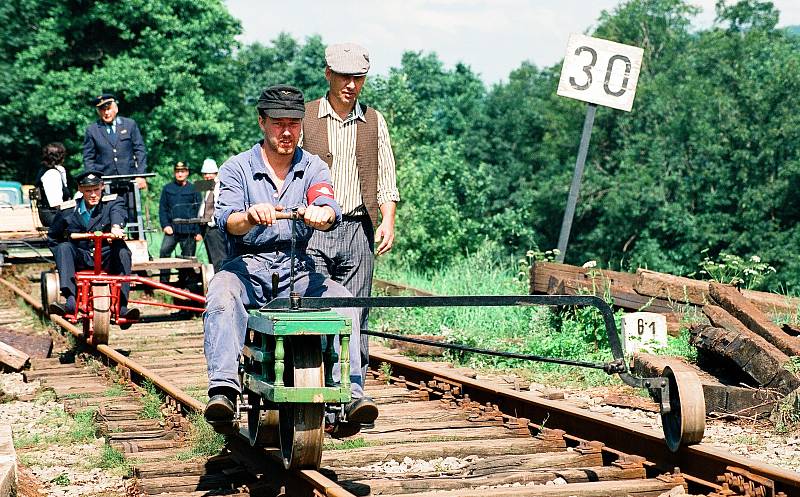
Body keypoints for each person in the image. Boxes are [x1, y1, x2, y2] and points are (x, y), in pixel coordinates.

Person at [203, 84, 378, 436]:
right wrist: (251, 215)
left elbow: (328, 205)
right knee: (221, 293)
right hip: (248, 267)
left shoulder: (313, 166)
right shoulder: (237, 168)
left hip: (298, 268)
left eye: (294, 124)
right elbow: (229, 222)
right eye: (278, 123)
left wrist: (322, 215)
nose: (287, 132)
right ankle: (223, 389)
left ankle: (352, 395)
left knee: (343, 300)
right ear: (261, 123)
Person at [302, 43, 400, 385]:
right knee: (315, 307)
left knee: (357, 309)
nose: (351, 85)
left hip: (358, 227)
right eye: (344, 77)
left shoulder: (374, 120)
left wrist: (388, 219)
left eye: (358, 78)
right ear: (329, 75)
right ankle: (314, 385)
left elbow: (386, 176)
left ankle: (352, 387)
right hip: (311, 230)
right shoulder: (305, 118)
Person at [47, 171, 139, 327]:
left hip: (107, 256)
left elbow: (118, 213)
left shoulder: (112, 202)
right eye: (88, 190)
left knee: (123, 251)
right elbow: (53, 237)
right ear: (80, 189)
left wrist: (116, 227)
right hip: (81, 257)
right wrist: (63, 260)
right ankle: (70, 302)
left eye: (96, 189)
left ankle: (122, 307)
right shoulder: (68, 210)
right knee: (64, 247)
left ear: (102, 187)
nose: (93, 194)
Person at [82, 93, 148, 188]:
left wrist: (141, 175)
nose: (106, 113)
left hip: (129, 180)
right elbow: (88, 158)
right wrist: (95, 180)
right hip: (105, 183)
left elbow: (140, 150)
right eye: (103, 110)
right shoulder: (92, 130)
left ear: (116, 109)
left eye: (108, 109)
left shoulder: (129, 125)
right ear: (98, 112)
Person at [158, 161, 202, 286]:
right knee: (164, 252)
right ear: (174, 173)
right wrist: (165, 225)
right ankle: (163, 283)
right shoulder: (167, 188)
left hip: (189, 229)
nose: (180, 174)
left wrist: (197, 231)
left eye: (182, 171)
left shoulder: (194, 188)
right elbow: (163, 208)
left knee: (187, 258)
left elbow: (199, 211)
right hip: (172, 228)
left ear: (187, 172)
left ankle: (184, 284)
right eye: (177, 171)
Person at [197, 158, 226, 272]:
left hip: (215, 227)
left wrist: (213, 221)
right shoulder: (206, 185)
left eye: (210, 173)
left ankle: (222, 282)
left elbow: (219, 205)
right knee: (211, 257)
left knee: (219, 257)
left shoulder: (221, 185)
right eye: (205, 174)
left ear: (216, 173)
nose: (207, 176)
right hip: (205, 226)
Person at [34, 142, 71, 226]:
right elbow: (56, 204)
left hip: (53, 214)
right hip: (53, 216)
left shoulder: (46, 171)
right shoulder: (52, 174)